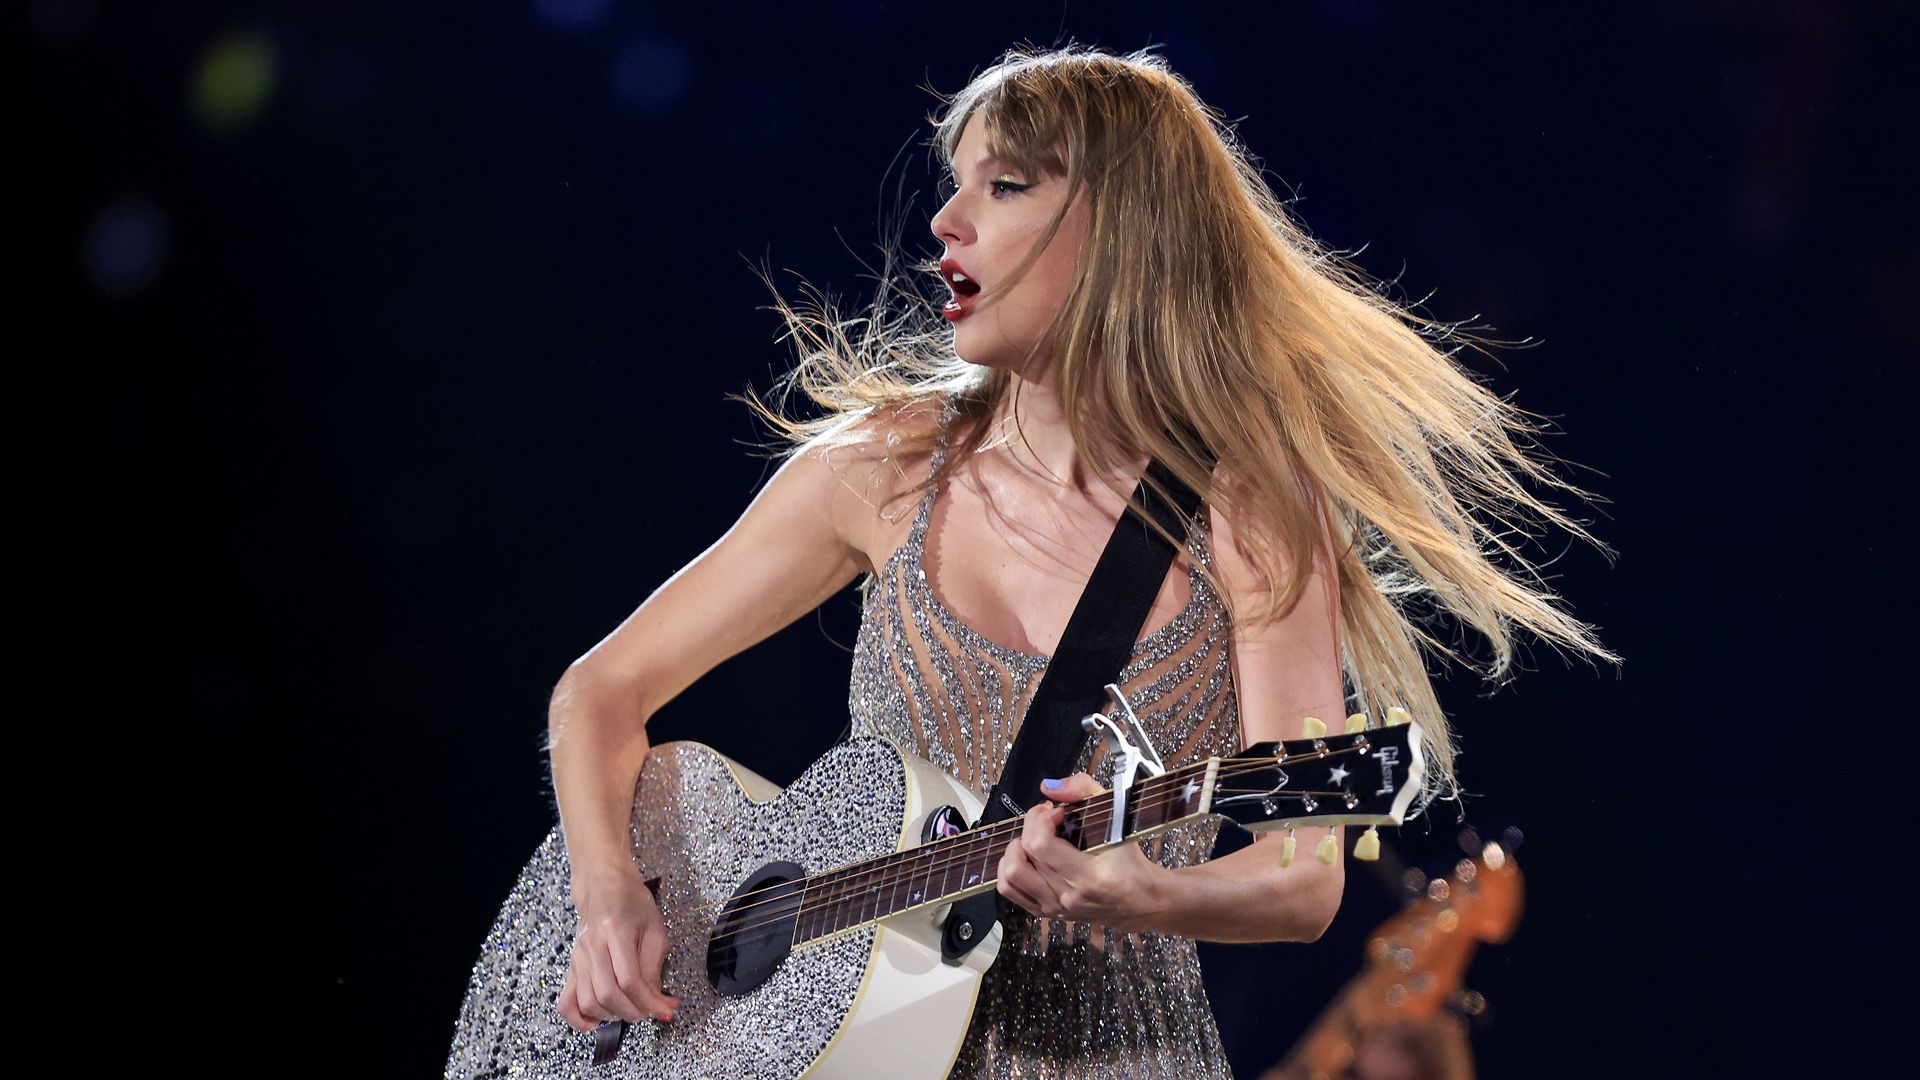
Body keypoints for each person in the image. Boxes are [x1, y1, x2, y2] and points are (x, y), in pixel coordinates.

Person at [537, 44, 1617, 1077]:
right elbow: (599, 692)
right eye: (954, 185)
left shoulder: (1251, 507)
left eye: (1002, 188)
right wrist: (611, 899)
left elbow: (1303, 882)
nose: (945, 223)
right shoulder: (880, 469)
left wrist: (1136, 893)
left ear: (1118, 230)